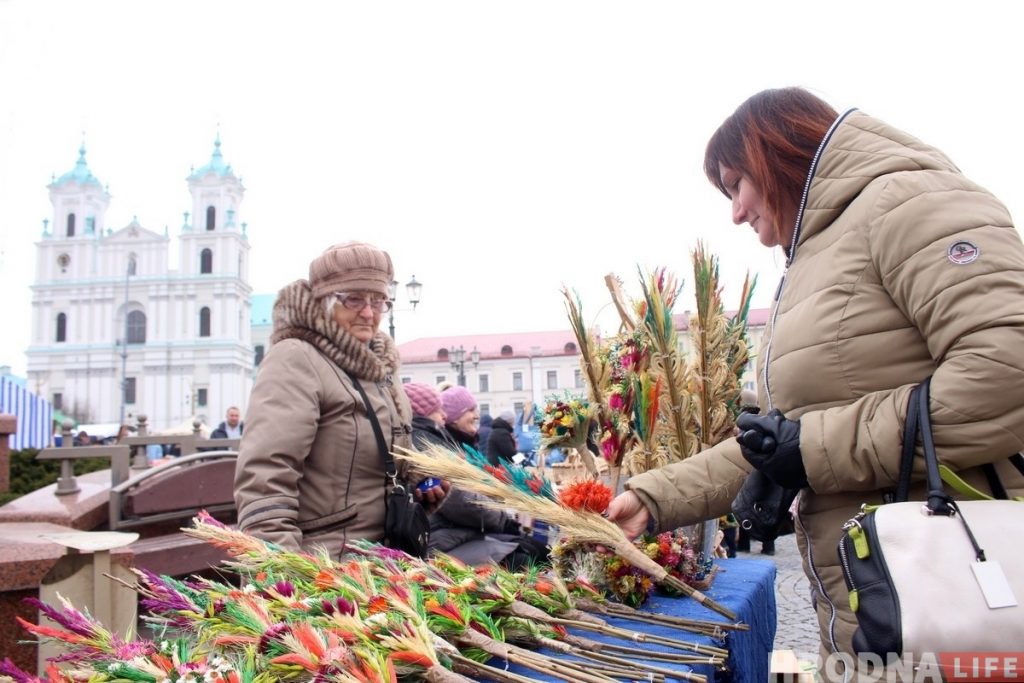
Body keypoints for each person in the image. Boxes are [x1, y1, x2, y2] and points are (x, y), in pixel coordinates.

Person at [606, 88, 1024, 676]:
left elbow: (1005, 375)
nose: (735, 210)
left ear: (776, 152)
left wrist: (811, 450)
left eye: (736, 183)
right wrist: (652, 497)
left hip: (955, 599)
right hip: (870, 609)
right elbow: (790, 443)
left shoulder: (910, 201)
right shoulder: (816, 258)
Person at [234, 241, 445, 557]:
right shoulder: (296, 358)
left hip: (386, 558)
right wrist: (279, 580)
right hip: (327, 567)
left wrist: (418, 482)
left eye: (378, 301)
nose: (368, 312)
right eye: (354, 299)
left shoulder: (379, 365)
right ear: (324, 302)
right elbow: (265, 479)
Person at [405, 382, 546, 568]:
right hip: (443, 539)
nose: (444, 415)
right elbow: (457, 498)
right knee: (525, 556)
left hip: (455, 533)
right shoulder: (425, 441)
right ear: (424, 412)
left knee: (532, 549)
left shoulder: (437, 437)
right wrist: (502, 519)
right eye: (438, 409)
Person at [439, 386, 481, 452]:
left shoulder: (468, 442)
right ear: (455, 418)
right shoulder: (449, 451)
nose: (477, 416)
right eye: (471, 410)